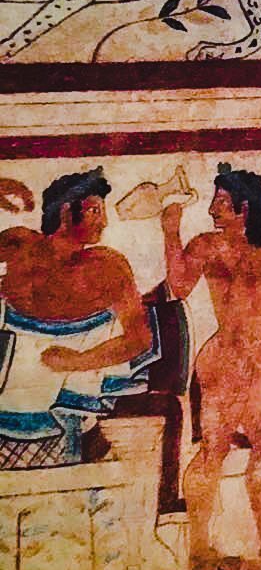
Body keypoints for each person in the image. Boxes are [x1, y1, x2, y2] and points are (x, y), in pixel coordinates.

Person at [161, 165, 261, 570]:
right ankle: (200, 550)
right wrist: (170, 231)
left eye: (221, 203)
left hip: (260, 362)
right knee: (214, 451)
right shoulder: (207, 245)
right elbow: (179, 286)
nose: (212, 210)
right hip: (222, 361)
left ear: (245, 207)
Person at [0, 169, 153, 458]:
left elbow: (139, 339)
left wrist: (79, 361)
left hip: (64, 391)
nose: (104, 222)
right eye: (95, 211)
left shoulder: (108, 266)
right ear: (66, 211)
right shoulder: (19, 245)